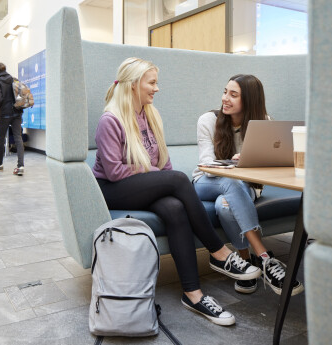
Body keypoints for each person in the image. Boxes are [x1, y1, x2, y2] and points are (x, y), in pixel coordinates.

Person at [92, 58, 261, 326]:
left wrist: (162, 176)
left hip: (141, 184)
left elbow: (164, 165)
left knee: (175, 208)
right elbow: (114, 172)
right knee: (179, 179)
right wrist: (162, 176)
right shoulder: (110, 120)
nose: (156, 89)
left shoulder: (151, 115)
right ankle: (219, 253)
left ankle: (193, 295)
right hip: (113, 189)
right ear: (134, 84)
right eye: (152, 82)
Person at [192, 74, 304, 296]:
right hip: (206, 182)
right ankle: (265, 258)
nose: (225, 98)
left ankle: (245, 263)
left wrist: (248, 162)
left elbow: (270, 163)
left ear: (250, 100)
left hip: (246, 185)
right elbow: (205, 163)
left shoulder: (264, 123)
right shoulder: (207, 120)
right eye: (225, 92)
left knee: (224, 206)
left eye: (233, 95)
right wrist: (235, 165)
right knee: (230, 182)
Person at [0, 62, 24, 175]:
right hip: (17, 112)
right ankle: (20, 166)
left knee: (1, 138)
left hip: (5, 114)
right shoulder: (14, 79)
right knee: (18, 137)